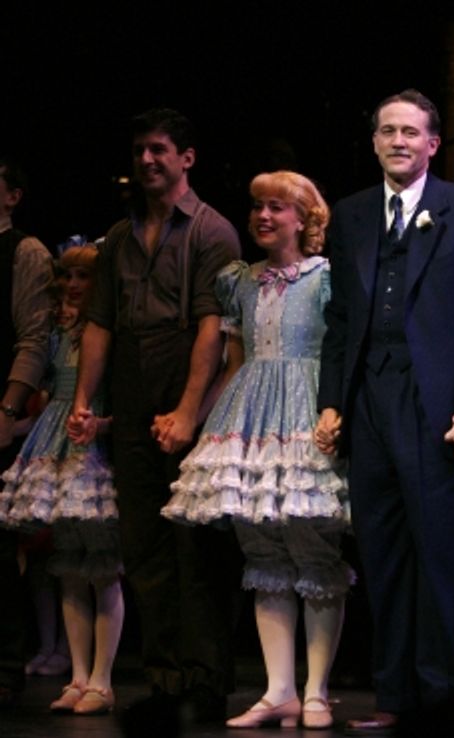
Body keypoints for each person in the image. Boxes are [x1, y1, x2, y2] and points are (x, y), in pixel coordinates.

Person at [314, 89, 454, 734]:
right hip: (370, 400)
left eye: (412, 132)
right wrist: (332, 401)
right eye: (388, 131)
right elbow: (339, 318)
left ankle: (448, 701)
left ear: (432, 144)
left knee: (443, 556)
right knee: (384, 554)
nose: (399, 141)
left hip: (437, 406)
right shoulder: (351, 214)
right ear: (374, 142)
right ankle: (395, 697)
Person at [159, 171, 350, 729]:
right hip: (251, 410)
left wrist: (333, 414)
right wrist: (210, 422)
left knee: (312, 547)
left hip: (305, 408)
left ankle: (316, 691)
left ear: (304, 219)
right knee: (264, 551)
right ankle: (279, 689)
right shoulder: (240, 280)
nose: (263, 217)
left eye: (277, 208)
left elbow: (335, 353)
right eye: (258, 208)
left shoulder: (326, 279)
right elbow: (235, 360)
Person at [68, 109, 241, 721]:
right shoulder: (119, 236)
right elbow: (100, 322)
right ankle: (167, 676)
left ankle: (204, 676)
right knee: (143, 542)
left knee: (192, 545)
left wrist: (189, 410)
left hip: (185, 375)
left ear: (186, 157)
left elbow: (212, 329)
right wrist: (85, 401)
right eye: (139, 149)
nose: (146, 160)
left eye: (159, 149)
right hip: (132, 381)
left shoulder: (211, 231)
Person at [0, 244, 125, 715]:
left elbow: (121, 401)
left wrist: (101, 425)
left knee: (102, 565)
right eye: (67, 275)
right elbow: (49, 390)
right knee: (69, 565)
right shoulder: (58, 332)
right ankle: (76, 675)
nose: (73, 284)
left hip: (91, 449)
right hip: (55, 443)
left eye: (83, 277)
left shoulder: (110, 334)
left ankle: (102, 679)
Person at [0, 157, 55, 707]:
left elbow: (33, 335)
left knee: (2, 546)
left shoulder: (24, 251)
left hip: (2, 404)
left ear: (13, 196)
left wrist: (9, 406)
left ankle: (6, 664)